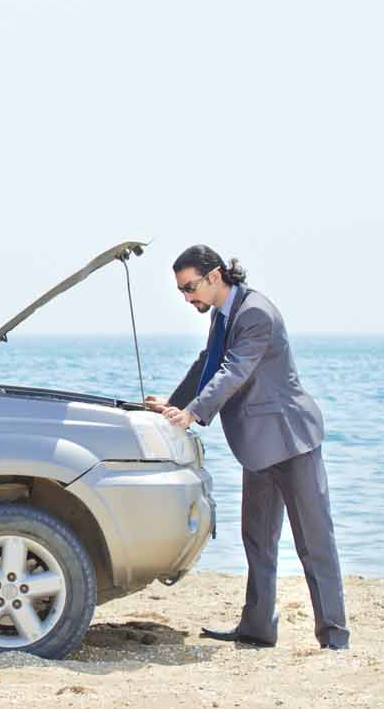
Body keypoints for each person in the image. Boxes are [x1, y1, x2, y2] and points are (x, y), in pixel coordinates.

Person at [144, 245, 349, 650]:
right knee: (257, 539)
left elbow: (233, 370)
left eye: (190, 288)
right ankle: (257, 630)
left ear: (215, 276)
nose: (187, 298)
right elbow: (209, 362)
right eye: (182, 291)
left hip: (292, 442)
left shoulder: (255, 312)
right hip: (257, 446)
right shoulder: (222, 314)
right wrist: (174, 405)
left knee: (314, 542)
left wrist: (195, 414)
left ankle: (335, 638)